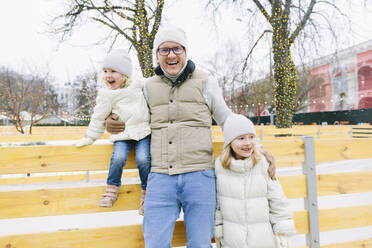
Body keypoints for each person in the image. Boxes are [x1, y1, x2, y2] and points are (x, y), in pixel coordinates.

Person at [105, 26, 276, 247]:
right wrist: (113, 121)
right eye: (164, 50)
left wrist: (257, 148)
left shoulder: (205, 81)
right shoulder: (147, 86)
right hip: (160, 178)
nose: (171, 55)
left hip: (199, 177)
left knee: (200, 243)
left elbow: (228, 119)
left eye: (177, 48)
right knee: (155, 243)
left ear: (185, 51)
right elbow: (130, 116)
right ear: (157, 55)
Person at [75, 49, 151, 215]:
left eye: (113, 71)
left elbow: (155, 84)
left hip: (142, 132)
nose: (108, 75)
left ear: (124, 74)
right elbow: (98, 116)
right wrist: (90, 137)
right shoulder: (106, 95)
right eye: (105, 71)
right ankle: (111, 189)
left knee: (144, 159)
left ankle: (147, 194)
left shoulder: (138, 84)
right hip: (122, 134)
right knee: (117, 158)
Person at [214, 114, 296, 248]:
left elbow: (277, 199)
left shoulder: (262, 164)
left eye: (251, 137)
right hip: (233, 241)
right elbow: (218, 204)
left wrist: (284, 230)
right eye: (241, 138)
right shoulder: (220, 167)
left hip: (262, 240)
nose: (247, 143)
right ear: (230, 142)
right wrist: (219, 232)